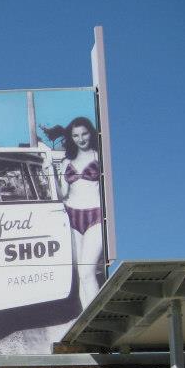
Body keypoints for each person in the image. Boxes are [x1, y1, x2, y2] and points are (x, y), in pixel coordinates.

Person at [58, 116, 104, 311]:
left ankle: (96, 320)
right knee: (79, 274)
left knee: (87, 272)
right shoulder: (66, 161)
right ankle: (86, 320)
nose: (81, 138)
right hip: (73, 217)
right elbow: (63, 193)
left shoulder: (99, 156)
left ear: (91, 133)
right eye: (76, 135)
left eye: (84, 133)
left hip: (95, 216)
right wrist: (48, 173)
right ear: (71, 137)